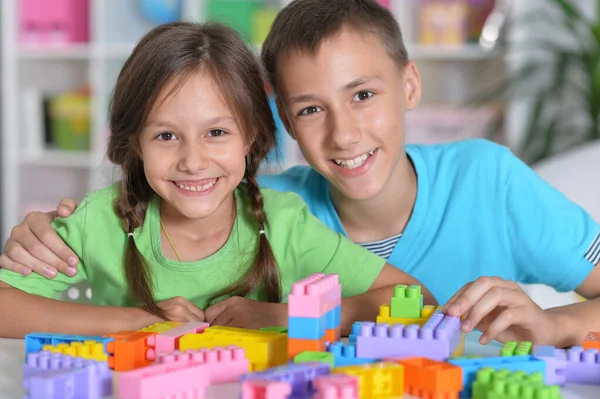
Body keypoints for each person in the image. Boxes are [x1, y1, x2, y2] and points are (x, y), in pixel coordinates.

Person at [2, 0, 599, 348]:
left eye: (363, 94)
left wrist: (556, 323)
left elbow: (409, 298)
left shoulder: (489, 180)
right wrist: (45, 234)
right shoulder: (260, 203)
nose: (343, 133)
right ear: (282, 121)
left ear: (409, 85)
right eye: (310, 109)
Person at [0, 21, 435, 339]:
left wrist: (283, 316)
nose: (193, 161)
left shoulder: (285, 223)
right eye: (166, 135)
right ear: (134, 141)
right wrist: (134, 320)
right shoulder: (100, 219)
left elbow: (415, 299)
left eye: (217, 132)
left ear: (250, 136)